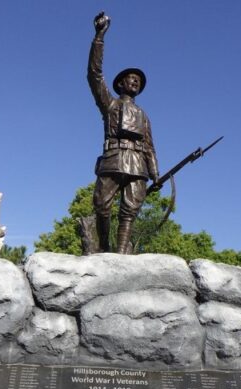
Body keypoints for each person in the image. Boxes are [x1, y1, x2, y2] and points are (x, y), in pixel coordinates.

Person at [88, 12, 159, 254]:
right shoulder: (110, 103)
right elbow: (94, 75)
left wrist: (156, 174)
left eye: (138, 80)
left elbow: (150, 146)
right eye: (131, 78)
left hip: (138, 166)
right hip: (113, 160)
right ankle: (103, 247)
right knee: (101, 205)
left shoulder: (144, 115)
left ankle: (120, 254)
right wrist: (99, 37)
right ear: (120, 84)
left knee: (129, 211)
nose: (135, 82)